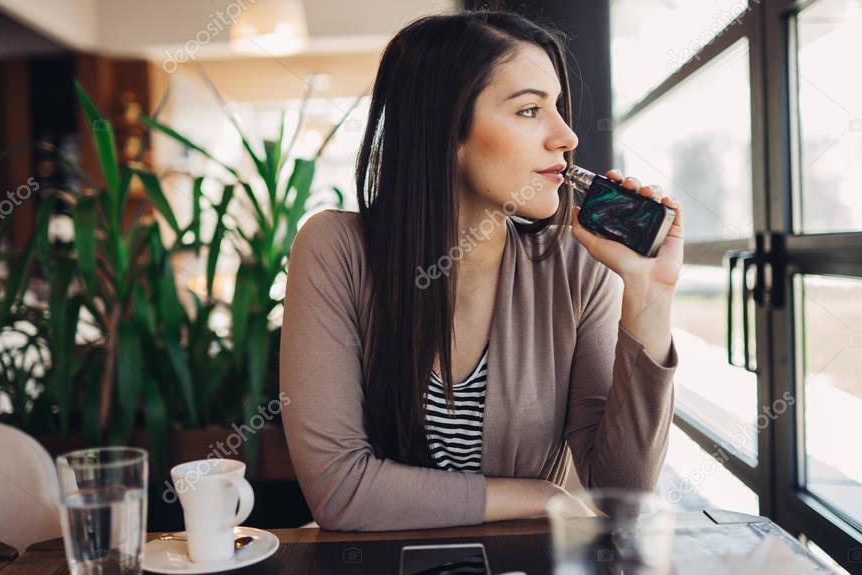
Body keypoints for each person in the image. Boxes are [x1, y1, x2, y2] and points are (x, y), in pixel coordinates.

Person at [279, 9, 683, 531]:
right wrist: (540, 496)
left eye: (557, 107)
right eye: (529, 110)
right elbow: (339, 491)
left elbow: (622, 494)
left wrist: (650, 298)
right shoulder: (335, 249)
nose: (566, 136)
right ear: (445, 127)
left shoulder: (581, 265)